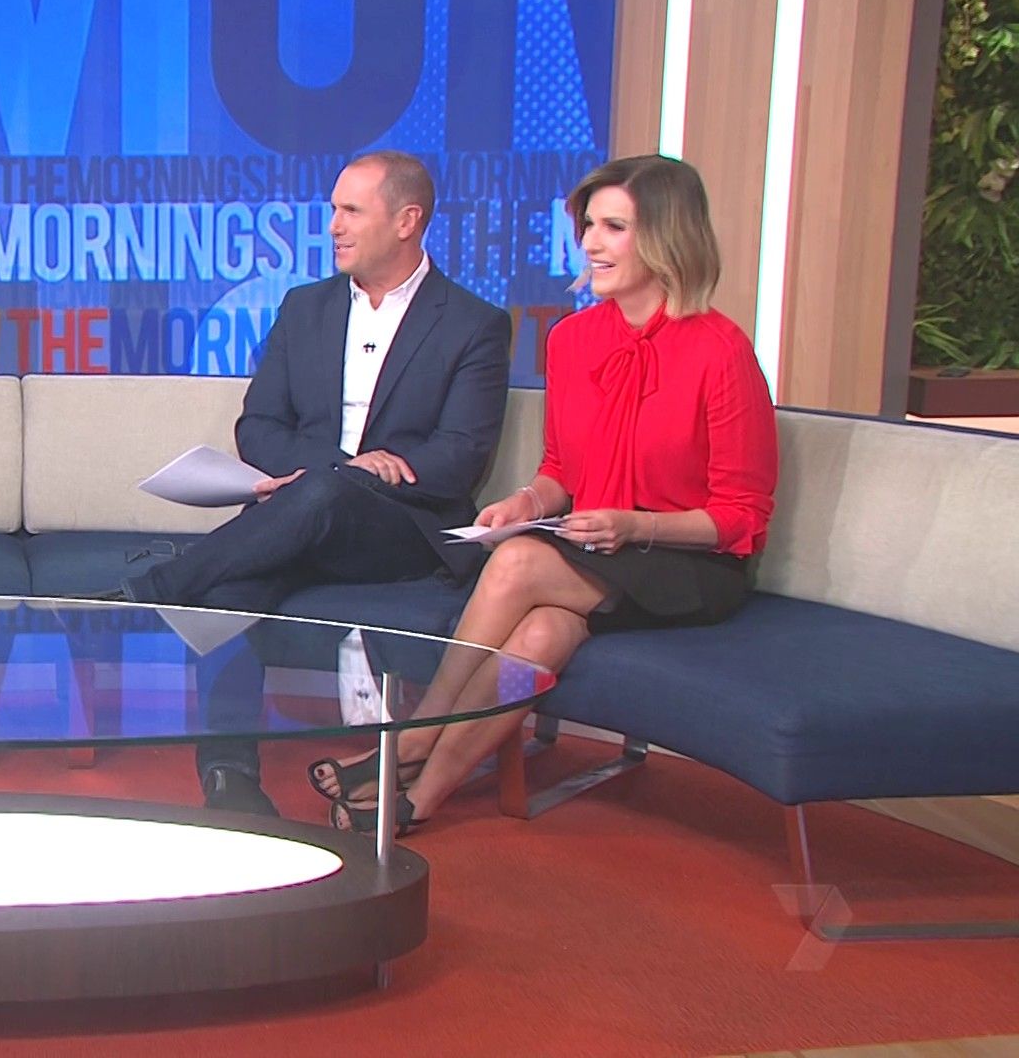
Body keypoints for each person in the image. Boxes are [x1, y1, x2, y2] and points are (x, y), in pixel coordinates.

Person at [315, 154, 779, 836]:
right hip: (595, 549)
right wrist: (527, 504)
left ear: (667, 236)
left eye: (614, 227)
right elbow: (561, 468)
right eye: (588, 225)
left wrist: (635, 527)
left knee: (517, 562)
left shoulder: (721, 350)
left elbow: (740, 517)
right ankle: (427, 792)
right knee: (540, 636)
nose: (591, 243)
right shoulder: (573, 340)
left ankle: (410, 740)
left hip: (688, 562)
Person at [115, 152, 513, 815]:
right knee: (236, 583)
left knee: (324, 495)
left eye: (351, 210)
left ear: (407, 221)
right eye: (334, 210)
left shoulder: (473, 323)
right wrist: (338, 470)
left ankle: (156, 587)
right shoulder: (305, 308)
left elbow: (461, 455)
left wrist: (345, 481)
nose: (333, 226)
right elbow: (259, 426)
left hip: (402, 529)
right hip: (306, 511)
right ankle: (230, 779)